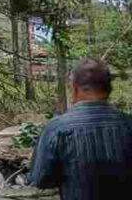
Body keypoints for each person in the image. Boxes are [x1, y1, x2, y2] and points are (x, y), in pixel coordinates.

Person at [29, 58, 132, 199]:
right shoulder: (128, 124)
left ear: (74, 88)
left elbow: (40, 179)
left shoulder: (57, 129)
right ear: (109, 89)